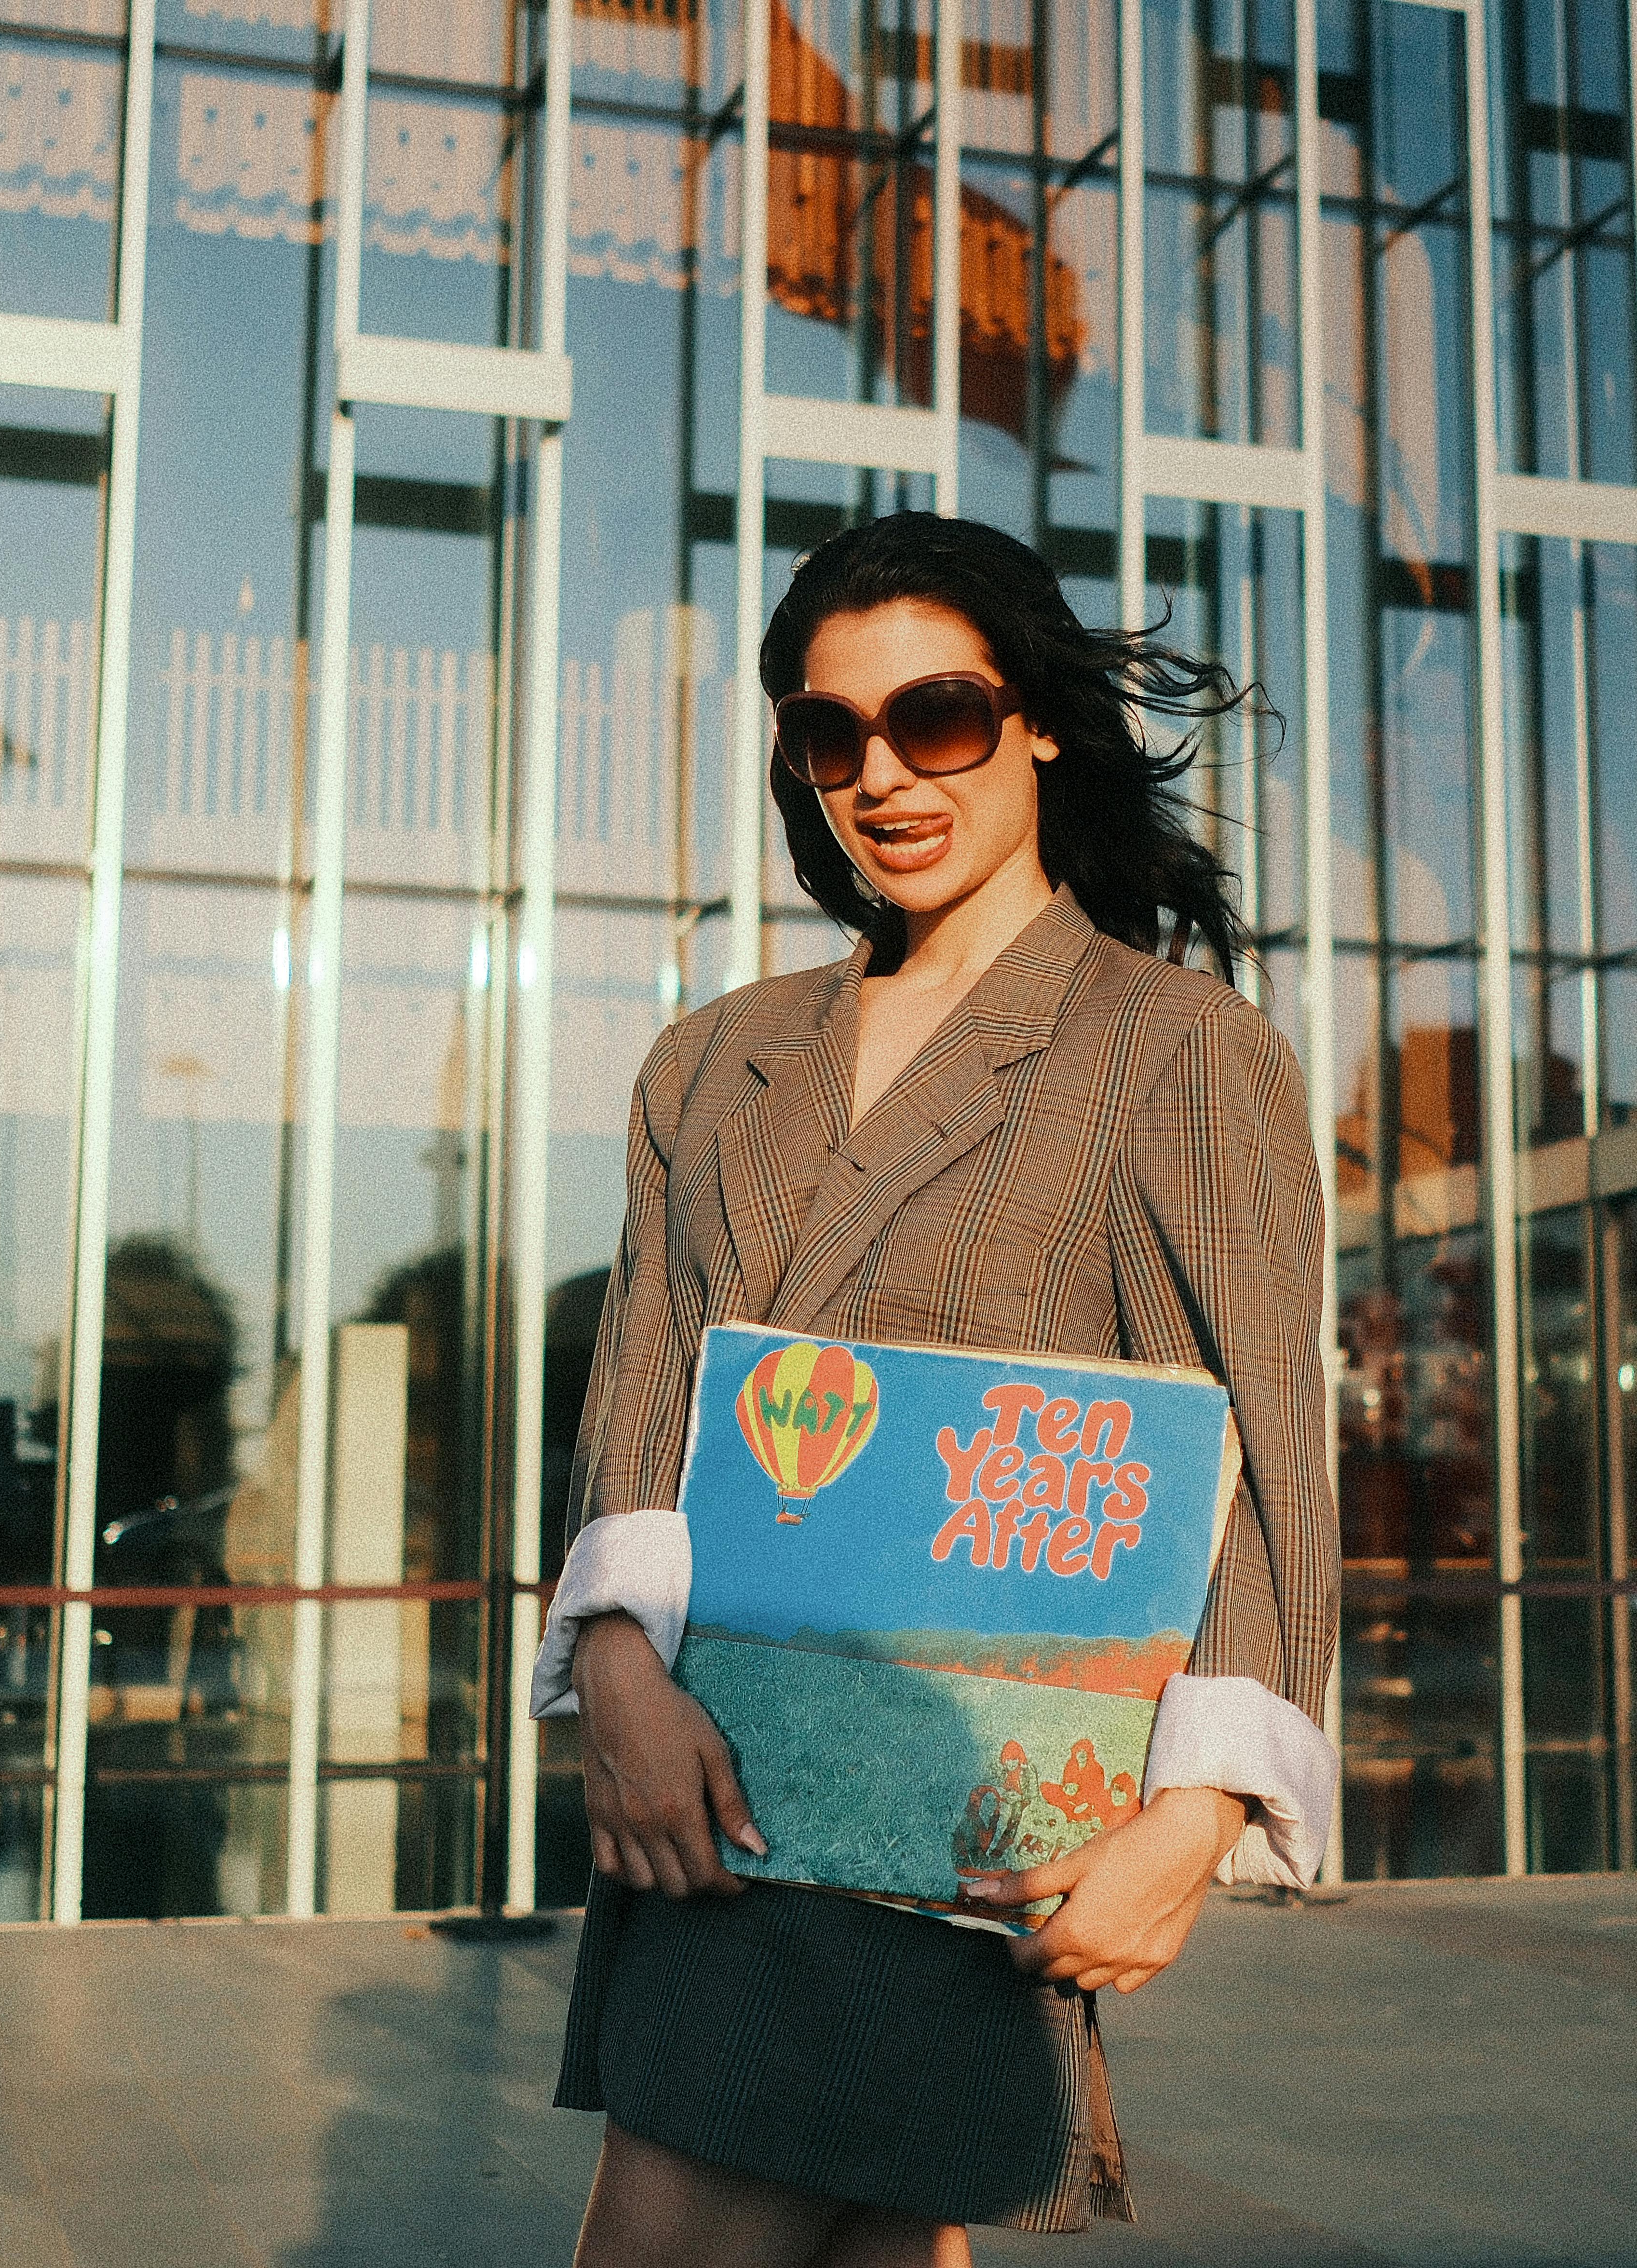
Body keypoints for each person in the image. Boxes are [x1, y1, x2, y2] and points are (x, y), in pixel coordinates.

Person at [530, 513, 1338, 2267]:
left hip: (971, 1820)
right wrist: (611, 1673)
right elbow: (642, 1403)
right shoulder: (716, 1059)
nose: (882, 775)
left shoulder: (1179, 1054)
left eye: (940, 717)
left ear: (1039, 720)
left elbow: (1265, 1463)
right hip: (709, 1804)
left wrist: (1195, 1817)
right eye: (832, 736)